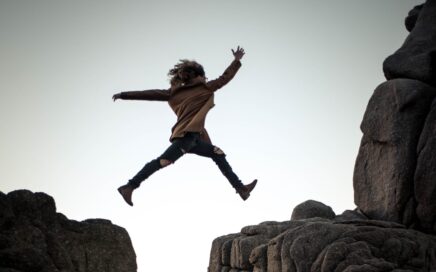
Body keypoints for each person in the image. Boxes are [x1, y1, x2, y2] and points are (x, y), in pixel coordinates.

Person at [113, 46, 257, 206]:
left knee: (218, 154)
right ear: (199, 76)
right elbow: (226, 77)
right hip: (186, 137)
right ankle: (130, 186)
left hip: (195, 138)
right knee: (163, 161)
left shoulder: (173, 92)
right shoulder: (205, 87)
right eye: (204, 76)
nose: (206, 78)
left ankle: (241, 189)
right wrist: (236, 60)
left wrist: (124, 95)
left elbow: (149, 93)